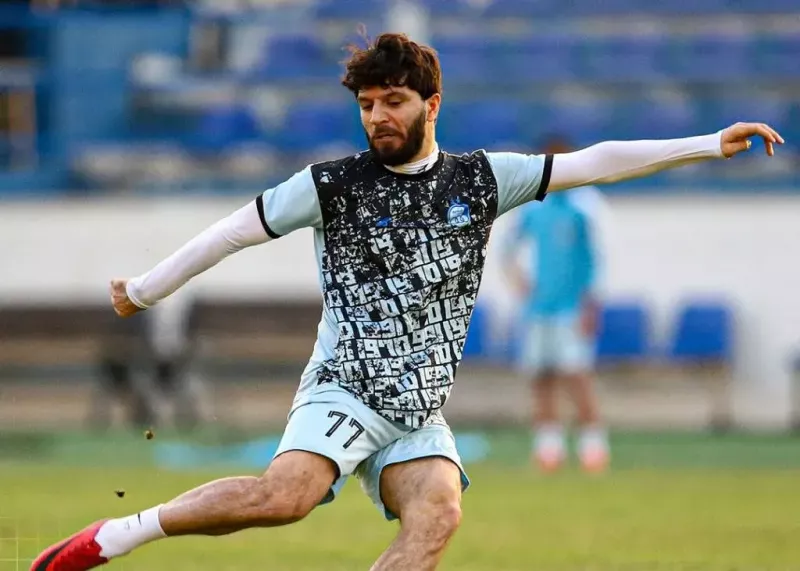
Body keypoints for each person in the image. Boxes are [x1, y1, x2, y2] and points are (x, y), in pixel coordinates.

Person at [31, 32, 783, 571]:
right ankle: (116, 535)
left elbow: (595, 163)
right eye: (367, 104)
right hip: (345, 386)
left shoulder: (483, 179)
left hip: (418, 406)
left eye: (393, 101)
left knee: (438, 515)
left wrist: (707, 141)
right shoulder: (331, 185)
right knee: (284, 498)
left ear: (432, 104)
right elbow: (233, 231)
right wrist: (145, 289)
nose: (377, 116)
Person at [503, 134, 612, 474]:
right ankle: (548, 449)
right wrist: (520, 282)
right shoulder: (533, 203)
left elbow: (598, 258)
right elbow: (508, 247)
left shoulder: (586, 204)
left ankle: (593, 447)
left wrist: (592, 304)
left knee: (577, 376)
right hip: (538, 307)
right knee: (541, 377)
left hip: (572, 307)